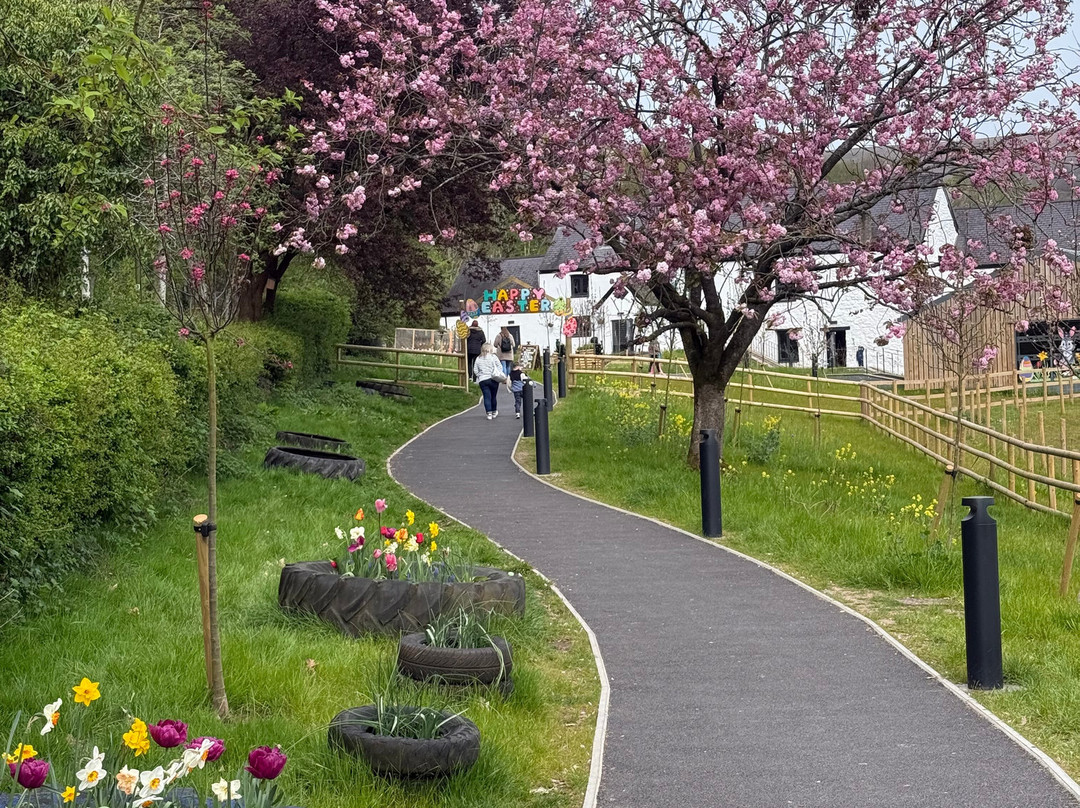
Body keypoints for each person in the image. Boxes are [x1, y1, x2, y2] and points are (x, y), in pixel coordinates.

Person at [473, 343, 505, 420]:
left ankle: (489, 413)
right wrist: (498, 373)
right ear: (490, 349)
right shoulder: (493, 357)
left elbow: (475, 370)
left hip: (483, 380)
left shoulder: (478, 358)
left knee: (486, 397)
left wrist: (480, 375)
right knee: (493, 396)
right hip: (493, 379)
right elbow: (500, 366)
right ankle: (494, 411)